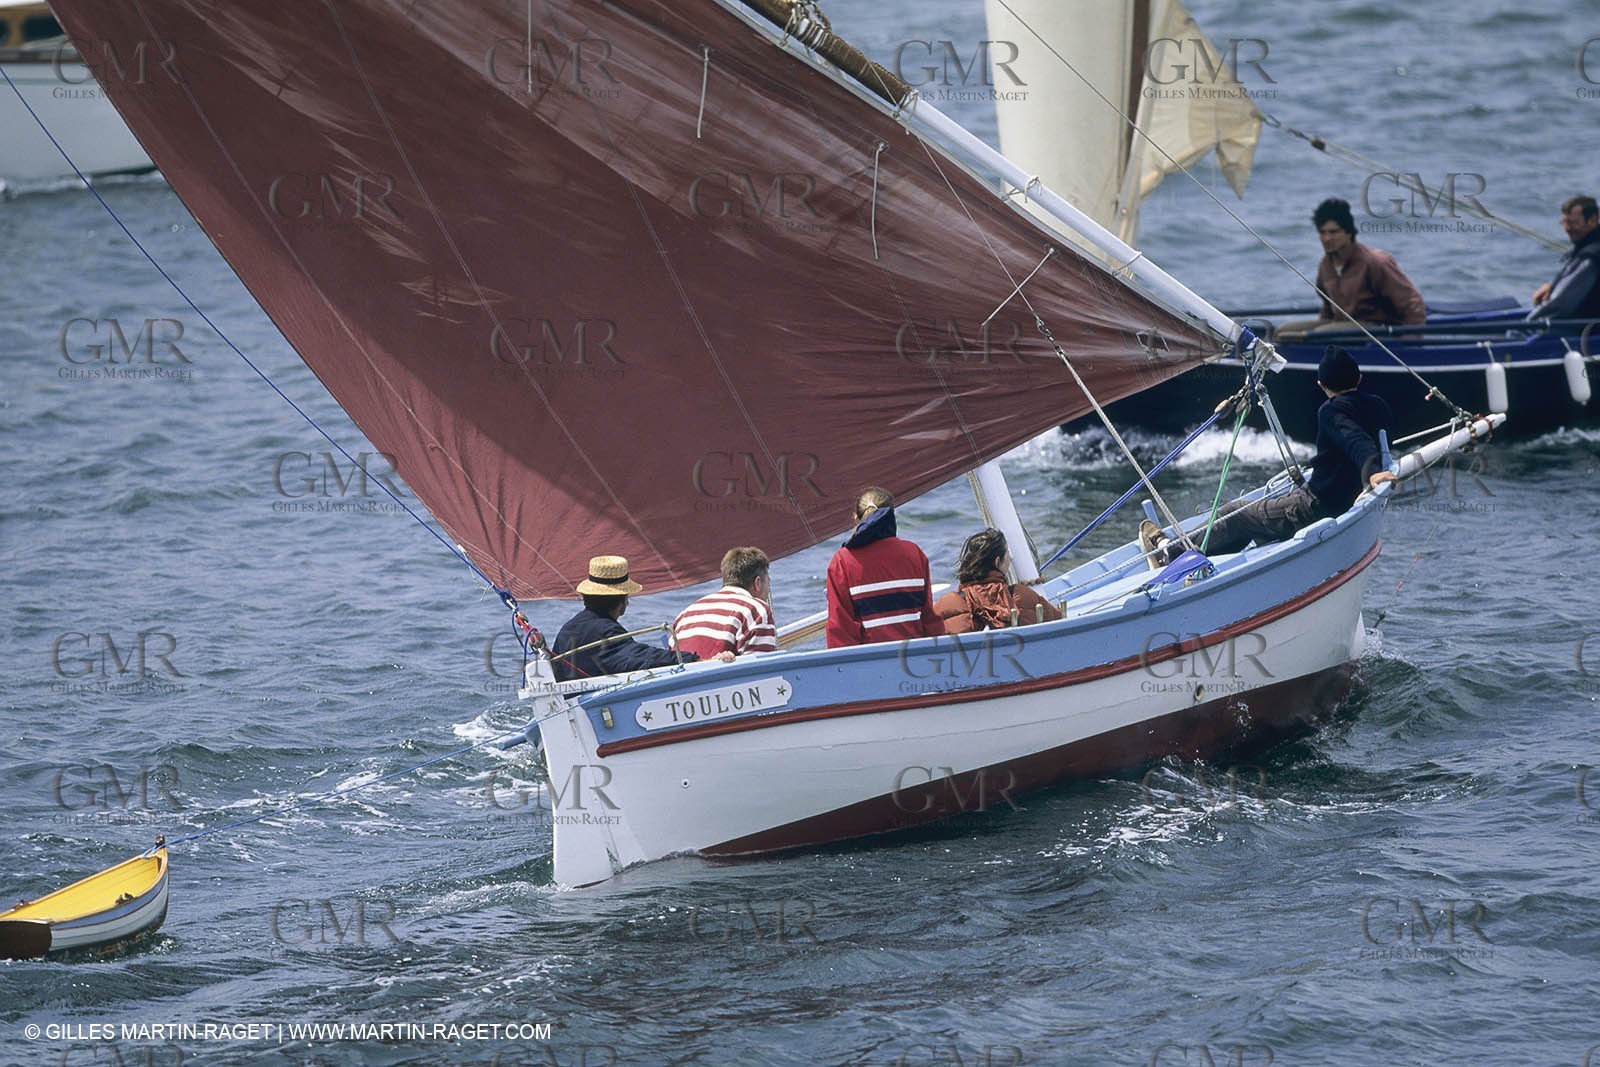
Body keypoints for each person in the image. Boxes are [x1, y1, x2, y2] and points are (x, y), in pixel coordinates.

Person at [1140, 346, 1397, 565]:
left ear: (1321, 385)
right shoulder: (1379, 405)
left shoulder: (1331, 411)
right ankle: (1195, 561)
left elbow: (1355, 440)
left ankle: (1168, 554)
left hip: (1313, 507)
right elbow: (1365, 441)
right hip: (1341, 500)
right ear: (1360, 378)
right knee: (1248, 523)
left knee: (1233, 514)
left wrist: (1372, 472)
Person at [551, 555, 733, 681]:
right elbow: (640, 658)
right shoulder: (606, 631)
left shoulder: (566, 630)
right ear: (622, 602)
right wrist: (695, 660)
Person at [1279, 198, 1425, 337]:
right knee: (1283, 332)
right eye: (1322, 233)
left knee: (1317, 335)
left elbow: (1412, 303)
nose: (1327, 238)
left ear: (1348, 232)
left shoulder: (1375, 262)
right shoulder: (1326, 265)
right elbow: (1328, 307)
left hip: (1377, 328)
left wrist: (1411, 340)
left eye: (1333, 232)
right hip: (1340, 327)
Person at [825, 487, 943, 648]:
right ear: (891, 516)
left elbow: (841, 629)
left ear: (856, 519)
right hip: (915, 661)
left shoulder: (842, 561)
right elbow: (929, 618)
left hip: (871, 664)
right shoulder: (914, 553)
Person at [933, 528, 1063, 633]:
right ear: (997, 562)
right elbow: (1058, 619)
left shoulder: (949, 603)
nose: (1009, 559)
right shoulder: (1021, 595)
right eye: (1007, 554)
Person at [671, 546, 778, 659]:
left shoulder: (684, 615)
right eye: (768, 582)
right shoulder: (756, 610)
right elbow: (761, 667)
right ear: (758, 583)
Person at [1527, 195, 1600, 321]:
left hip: (1583, 330)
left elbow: (1559, 304)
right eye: (1564, 222)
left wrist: (1528, 323)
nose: (1567, 229)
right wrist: (1553, 286)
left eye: (1573, 223)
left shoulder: (1590, 258)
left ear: (1592, 221)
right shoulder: (1587, 248)